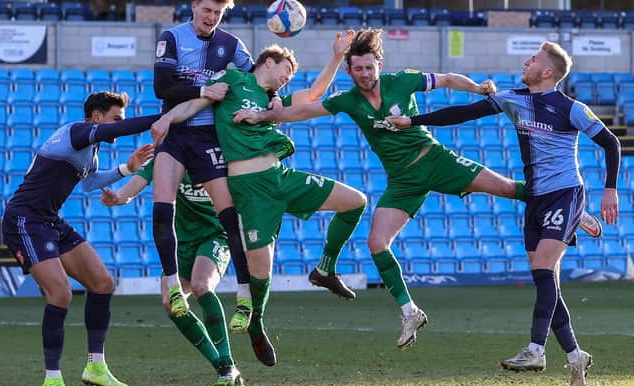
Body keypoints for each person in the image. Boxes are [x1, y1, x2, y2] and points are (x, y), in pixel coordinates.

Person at [231, 29, 604, 353]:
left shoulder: (402, 81)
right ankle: (410, 312)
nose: (364, 74)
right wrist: (263, 116)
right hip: (402, 182)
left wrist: (474, 86)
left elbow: (444, 79)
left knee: (506, 188)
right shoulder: (347, 100)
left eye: (369, 67)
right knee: (377, 242)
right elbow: (303, 112)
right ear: (350, 71)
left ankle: (572, 209)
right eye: (357, 69)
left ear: (379, 65)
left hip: (435, 160)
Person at [386, 42, 619, 386]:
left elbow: (611, 143)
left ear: (548, 72)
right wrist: (412, 121)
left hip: (566, 193)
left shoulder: (572, 109)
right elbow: (462, 113)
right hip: (536, 199)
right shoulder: (514, 99)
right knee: (547, 282)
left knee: (543, 268)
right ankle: (576, 356)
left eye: (534, 59)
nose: (527, 62)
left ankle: (536, 350)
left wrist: (610, 190)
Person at [151, 31, 367, 367]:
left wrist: (337, 57)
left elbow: (312, 95)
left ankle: (325, 269)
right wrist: (168, 117)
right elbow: (198, 103)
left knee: (356, 200)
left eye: (290, 76)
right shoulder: (234, 79)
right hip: (249, 187)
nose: (286, 78)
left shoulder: (271, 101)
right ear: (268, 60)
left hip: (281, 175)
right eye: (285, 70)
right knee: (261, 266)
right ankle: (257, 323)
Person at [1, 91, 157, 386]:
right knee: (60, 293)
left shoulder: (91, 148)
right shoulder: (78, 131)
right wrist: (163, 118)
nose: (118, 124)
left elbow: (87, 183)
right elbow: (113, 132)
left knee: (102, 283)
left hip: (49, 220)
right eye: (115, 117)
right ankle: (52, 380)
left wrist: (127, 168)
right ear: (96, 116)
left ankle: (95, 367)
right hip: (25, 219)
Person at [152, 0, 268, 333]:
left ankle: (244, 292)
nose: (211, 17)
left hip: (208, 137)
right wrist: (204, 89)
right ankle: (174, 285)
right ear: (194, 6)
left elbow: (255, 79)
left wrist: (272, 95)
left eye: (217, 13)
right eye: (206, 10)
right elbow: (162, 87)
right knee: (162, 209)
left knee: (229, 216)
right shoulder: (172, 38)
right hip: (175, 133)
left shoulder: (231, 45)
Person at [100, 159, 243, 386]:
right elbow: (136, 184)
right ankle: (222, 367)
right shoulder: (167, 156)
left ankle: (227, 360)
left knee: (201, 285)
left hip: (216, 235)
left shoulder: (214, 152)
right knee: (169, 302)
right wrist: (117, 197)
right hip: (182, 243)